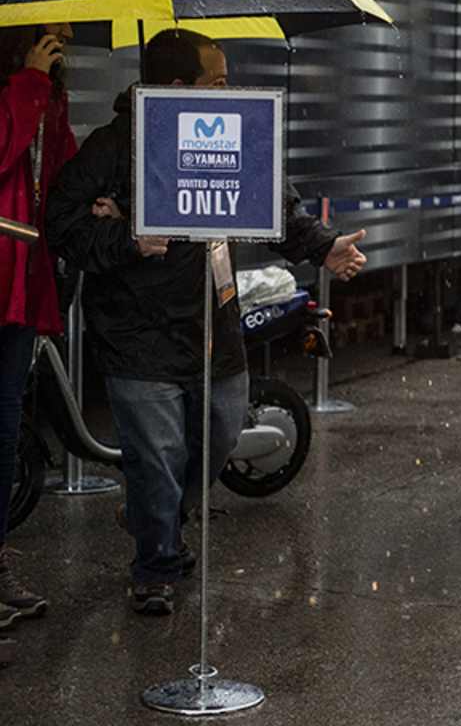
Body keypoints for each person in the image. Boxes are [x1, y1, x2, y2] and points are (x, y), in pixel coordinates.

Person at [45, 30, 368, 615]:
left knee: (218, 436)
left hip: (216, 329)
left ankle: (157, 513)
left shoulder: (235, 135)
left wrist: (325, 248)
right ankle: (156, 565)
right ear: (175, 88)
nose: (228, 89)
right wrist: (128, 237)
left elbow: (276, 204)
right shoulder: (112, 148)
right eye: (217, 81)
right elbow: (62, 223)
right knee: (156, 456)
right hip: (136, 335)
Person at [0, 23, 76, 656]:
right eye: (53, 29)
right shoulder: (18, 90)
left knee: (5, 432)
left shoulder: (43, 95)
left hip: (21, 288)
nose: (68, 38)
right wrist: (28, 84)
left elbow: (58, 174)